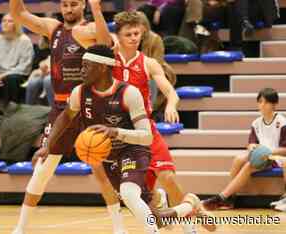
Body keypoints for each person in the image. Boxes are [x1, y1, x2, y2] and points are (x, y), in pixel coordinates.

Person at [41, 44, 207, 233]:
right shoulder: (79, 92)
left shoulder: (129, 93)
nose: (81, 70)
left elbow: (146, 137)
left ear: (102, 67)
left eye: (87, 65)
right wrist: (48, 145)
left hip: (133, 150)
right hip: (108, 157)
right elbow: (64, 118)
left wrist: (116, 132)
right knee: (156, 217)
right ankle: (187, 206)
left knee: (129, 194)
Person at [76, 11, 216, 234]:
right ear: (118, 36)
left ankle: (190, 224)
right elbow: (84, 40)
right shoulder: (108, 60)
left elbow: (171, 92)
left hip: (143, 129)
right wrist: (95, 8)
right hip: (118, 135)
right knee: (149, 212)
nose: (134, 37)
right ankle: (183, 204)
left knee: (168, 177)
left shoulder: (147, 63)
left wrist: (171, 104)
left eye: (137, 33)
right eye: (128, 34)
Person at [9, 0, 113, 233]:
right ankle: (20, 228)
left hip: (88, 106)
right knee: (42, 168)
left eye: (73, 4)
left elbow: (106, 46)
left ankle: (119, 227)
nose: (68, 9)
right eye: (64, 4)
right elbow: (18, 13)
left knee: (101, 170)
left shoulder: (88, 30)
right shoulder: (52, 28)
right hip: (59, 109)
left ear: (83, 6)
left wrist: (97, 9)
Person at [203, 88, 286, 211]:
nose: (262, 105)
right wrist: (252, 148)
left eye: (265, 102)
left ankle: (223, 197)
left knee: (248, 166)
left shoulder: (282, 122)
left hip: (276, 157)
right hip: (261, 156)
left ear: (274, 104)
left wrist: (267, 152)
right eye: (260, 102)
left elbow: (284, 149)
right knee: (238, 159)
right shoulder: (256, 123)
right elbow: (251, 144)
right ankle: (230, 198)